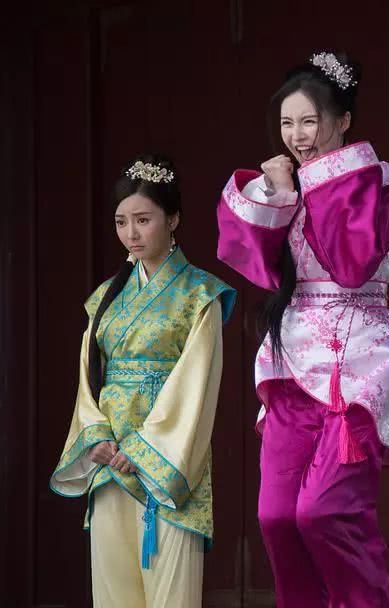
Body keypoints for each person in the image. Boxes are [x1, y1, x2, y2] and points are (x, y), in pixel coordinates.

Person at [216, 50, 389, 607]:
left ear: (343, 120)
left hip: (358, 360)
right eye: (287, 122)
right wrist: (275, 195)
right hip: (293, 359)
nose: (297, 136)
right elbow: (253, 262)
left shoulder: (383, 182)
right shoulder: (292, 184)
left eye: (309, 121)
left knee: (325, 511)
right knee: (276, 516)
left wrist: (317, 179)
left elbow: (352, 263)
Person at [50, 154, 235, 608]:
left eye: (143, 220)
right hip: (109, 460)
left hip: (167, 465)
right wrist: (95, 435)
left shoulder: (201, 295)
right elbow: (88, 377)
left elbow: (196, 385)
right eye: (121, 222)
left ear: (173, 220)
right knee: (113, 595)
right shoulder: (104, 299)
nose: (131, 233)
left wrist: (143, 448)